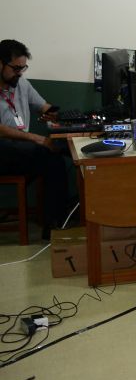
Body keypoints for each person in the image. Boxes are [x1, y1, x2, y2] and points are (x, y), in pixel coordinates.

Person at [0, 39, 71, 237]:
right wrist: (38, 139)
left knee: (58, 154)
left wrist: (54, 113)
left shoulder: (21, 84)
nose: (19, 73)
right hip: (3, 150)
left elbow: (43, 105)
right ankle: (56, 223)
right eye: (15, 68)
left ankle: (55, 221)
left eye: (23, 68)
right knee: (50, 156)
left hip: (21, 149)